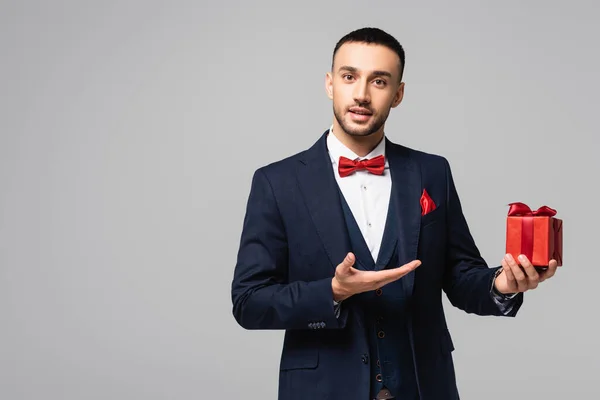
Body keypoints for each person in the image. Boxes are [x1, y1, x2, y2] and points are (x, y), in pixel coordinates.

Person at [230, 27, 560, 400]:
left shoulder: (432, 172)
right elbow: (249, 302)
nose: (361, 94)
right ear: (329, 84)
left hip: (423, 386)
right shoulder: (277, 182)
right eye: (349, 76)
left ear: (398, 93)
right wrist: (333, 291)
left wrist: (502, 285)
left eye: (379, 81)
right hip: (321, 389)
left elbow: (460, 275)